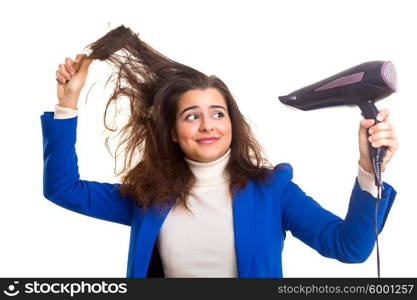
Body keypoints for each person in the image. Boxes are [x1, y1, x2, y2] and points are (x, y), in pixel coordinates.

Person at [41, 25, 398, 278]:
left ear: (232, 125)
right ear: (174, 134)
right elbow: (63, 190)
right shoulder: (147, 197)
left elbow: (349, 248)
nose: (208, 125)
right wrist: (67, 105)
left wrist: (368, 171)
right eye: (191, 116)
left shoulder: (273, 190)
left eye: (217, 113)